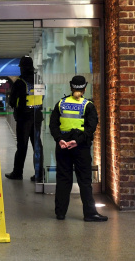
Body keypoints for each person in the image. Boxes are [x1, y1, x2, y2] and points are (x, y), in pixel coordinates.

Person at [49, 75, 108, 222]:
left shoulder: (60, 104)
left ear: (71, 87)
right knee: (84, 180)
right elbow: (90, 128)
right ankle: (90, 213)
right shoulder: (88, 106)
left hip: (63, 146)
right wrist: (77, 141)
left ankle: (60, 213)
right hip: (80, 147)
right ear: (84, 88)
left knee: (63, 179)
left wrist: (60, 139)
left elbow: (53, 125)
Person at [5, 55, 44, 182]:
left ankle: (17, 172)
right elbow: (42, 97)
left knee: (22, 146)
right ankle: (39, 174)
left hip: (23, 118)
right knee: (37, 145)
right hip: (37, 116)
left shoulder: (20, 82)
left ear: (22, 68)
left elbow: (11, 101)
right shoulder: (38, 80)